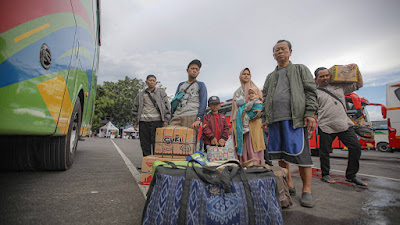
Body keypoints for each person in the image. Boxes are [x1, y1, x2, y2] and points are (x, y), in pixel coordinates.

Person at [261, 40, 318, 208]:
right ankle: (289, 184)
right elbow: (265, 99)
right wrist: (265, 118)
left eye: (283, 49)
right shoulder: (270, 77)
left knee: (302, 156)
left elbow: (311, 92)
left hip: (295, 119)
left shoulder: (300, 69)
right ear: (273, 55)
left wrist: (310, 113)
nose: (280, 52)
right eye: (277, 50)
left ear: (290, 52)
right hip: (275, 120)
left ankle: (306, 190)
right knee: (281, 156)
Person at [314, 66, 367, 187]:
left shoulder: (340, 87)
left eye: (327, 75)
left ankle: (351, 175)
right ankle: (325, 174)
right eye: (322, 76)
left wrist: (357, 70)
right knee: (324, 152)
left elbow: (359, 84)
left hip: (344, 124)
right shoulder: (314, 93)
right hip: (325, 125)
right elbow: (313, 111)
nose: (325, 78)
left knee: (356, 147)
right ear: (316, 79)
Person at [231, 68, 265, 165]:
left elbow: (263, 104)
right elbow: (234, 109)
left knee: (254, 144)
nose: (246, 76)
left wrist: (260, 112)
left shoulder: (256, 90)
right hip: (240, 123)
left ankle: (256, 165)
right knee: (243, 143)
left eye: (248, 74)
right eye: (244, 74)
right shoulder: (237, 93)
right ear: (240, 76)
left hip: (254, 122)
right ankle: (244, 165)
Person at [132, 75, 171, 156]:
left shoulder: (161, 93)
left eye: (153, 80)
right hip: (143, 121)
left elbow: (167, 106)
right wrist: (135, 122)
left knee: (156, 143)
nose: (152, 82)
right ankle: (147, 163)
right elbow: (135, 108)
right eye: (150, 80)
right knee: (144, 143)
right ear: (146, 82)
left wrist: (166, 120)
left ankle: (156, 163)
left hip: (157, 121)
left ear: (156, 83)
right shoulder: (140, 95)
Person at [170, 59, 207, 129]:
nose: (195, 71)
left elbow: (203, 102)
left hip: (191, 116)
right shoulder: (181, 85)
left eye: (197, 69)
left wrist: (199, 119)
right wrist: (171, 117)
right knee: (171, 137)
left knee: (188, 139)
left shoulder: (200, 85)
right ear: (187, 70)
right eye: (193, 68)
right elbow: (175, 101)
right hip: (177, 116)